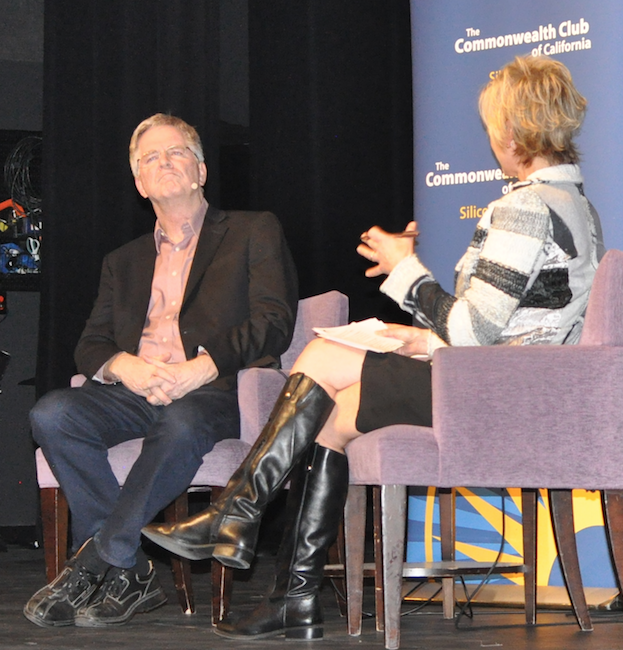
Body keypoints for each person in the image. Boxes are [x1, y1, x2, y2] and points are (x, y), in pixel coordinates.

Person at [143, 56, 603, 640]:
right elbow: (516, 320)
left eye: (492, 128)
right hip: (519, 384)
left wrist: (404, 270)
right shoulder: (575, 206)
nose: (490, 140)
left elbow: (472, 335)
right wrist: (422, 336)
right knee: (333, 417)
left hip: (493, 392)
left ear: (512, 132)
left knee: (320, 358)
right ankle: (293, 593)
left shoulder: (525, 207)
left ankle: (238, 515)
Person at [23, 114, 298, 628]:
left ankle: (99, 560)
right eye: (150, 158)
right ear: (139, 183)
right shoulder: (121, 261)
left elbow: (274, 321)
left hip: (217, 389)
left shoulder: (252, 229)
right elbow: (90, 344)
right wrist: (123, 366)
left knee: (182, 422)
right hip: (138, 390)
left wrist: (203, 366)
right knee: (53, 413)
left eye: (176, 152)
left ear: (201, 170)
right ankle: (129, 568)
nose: (164, 162)